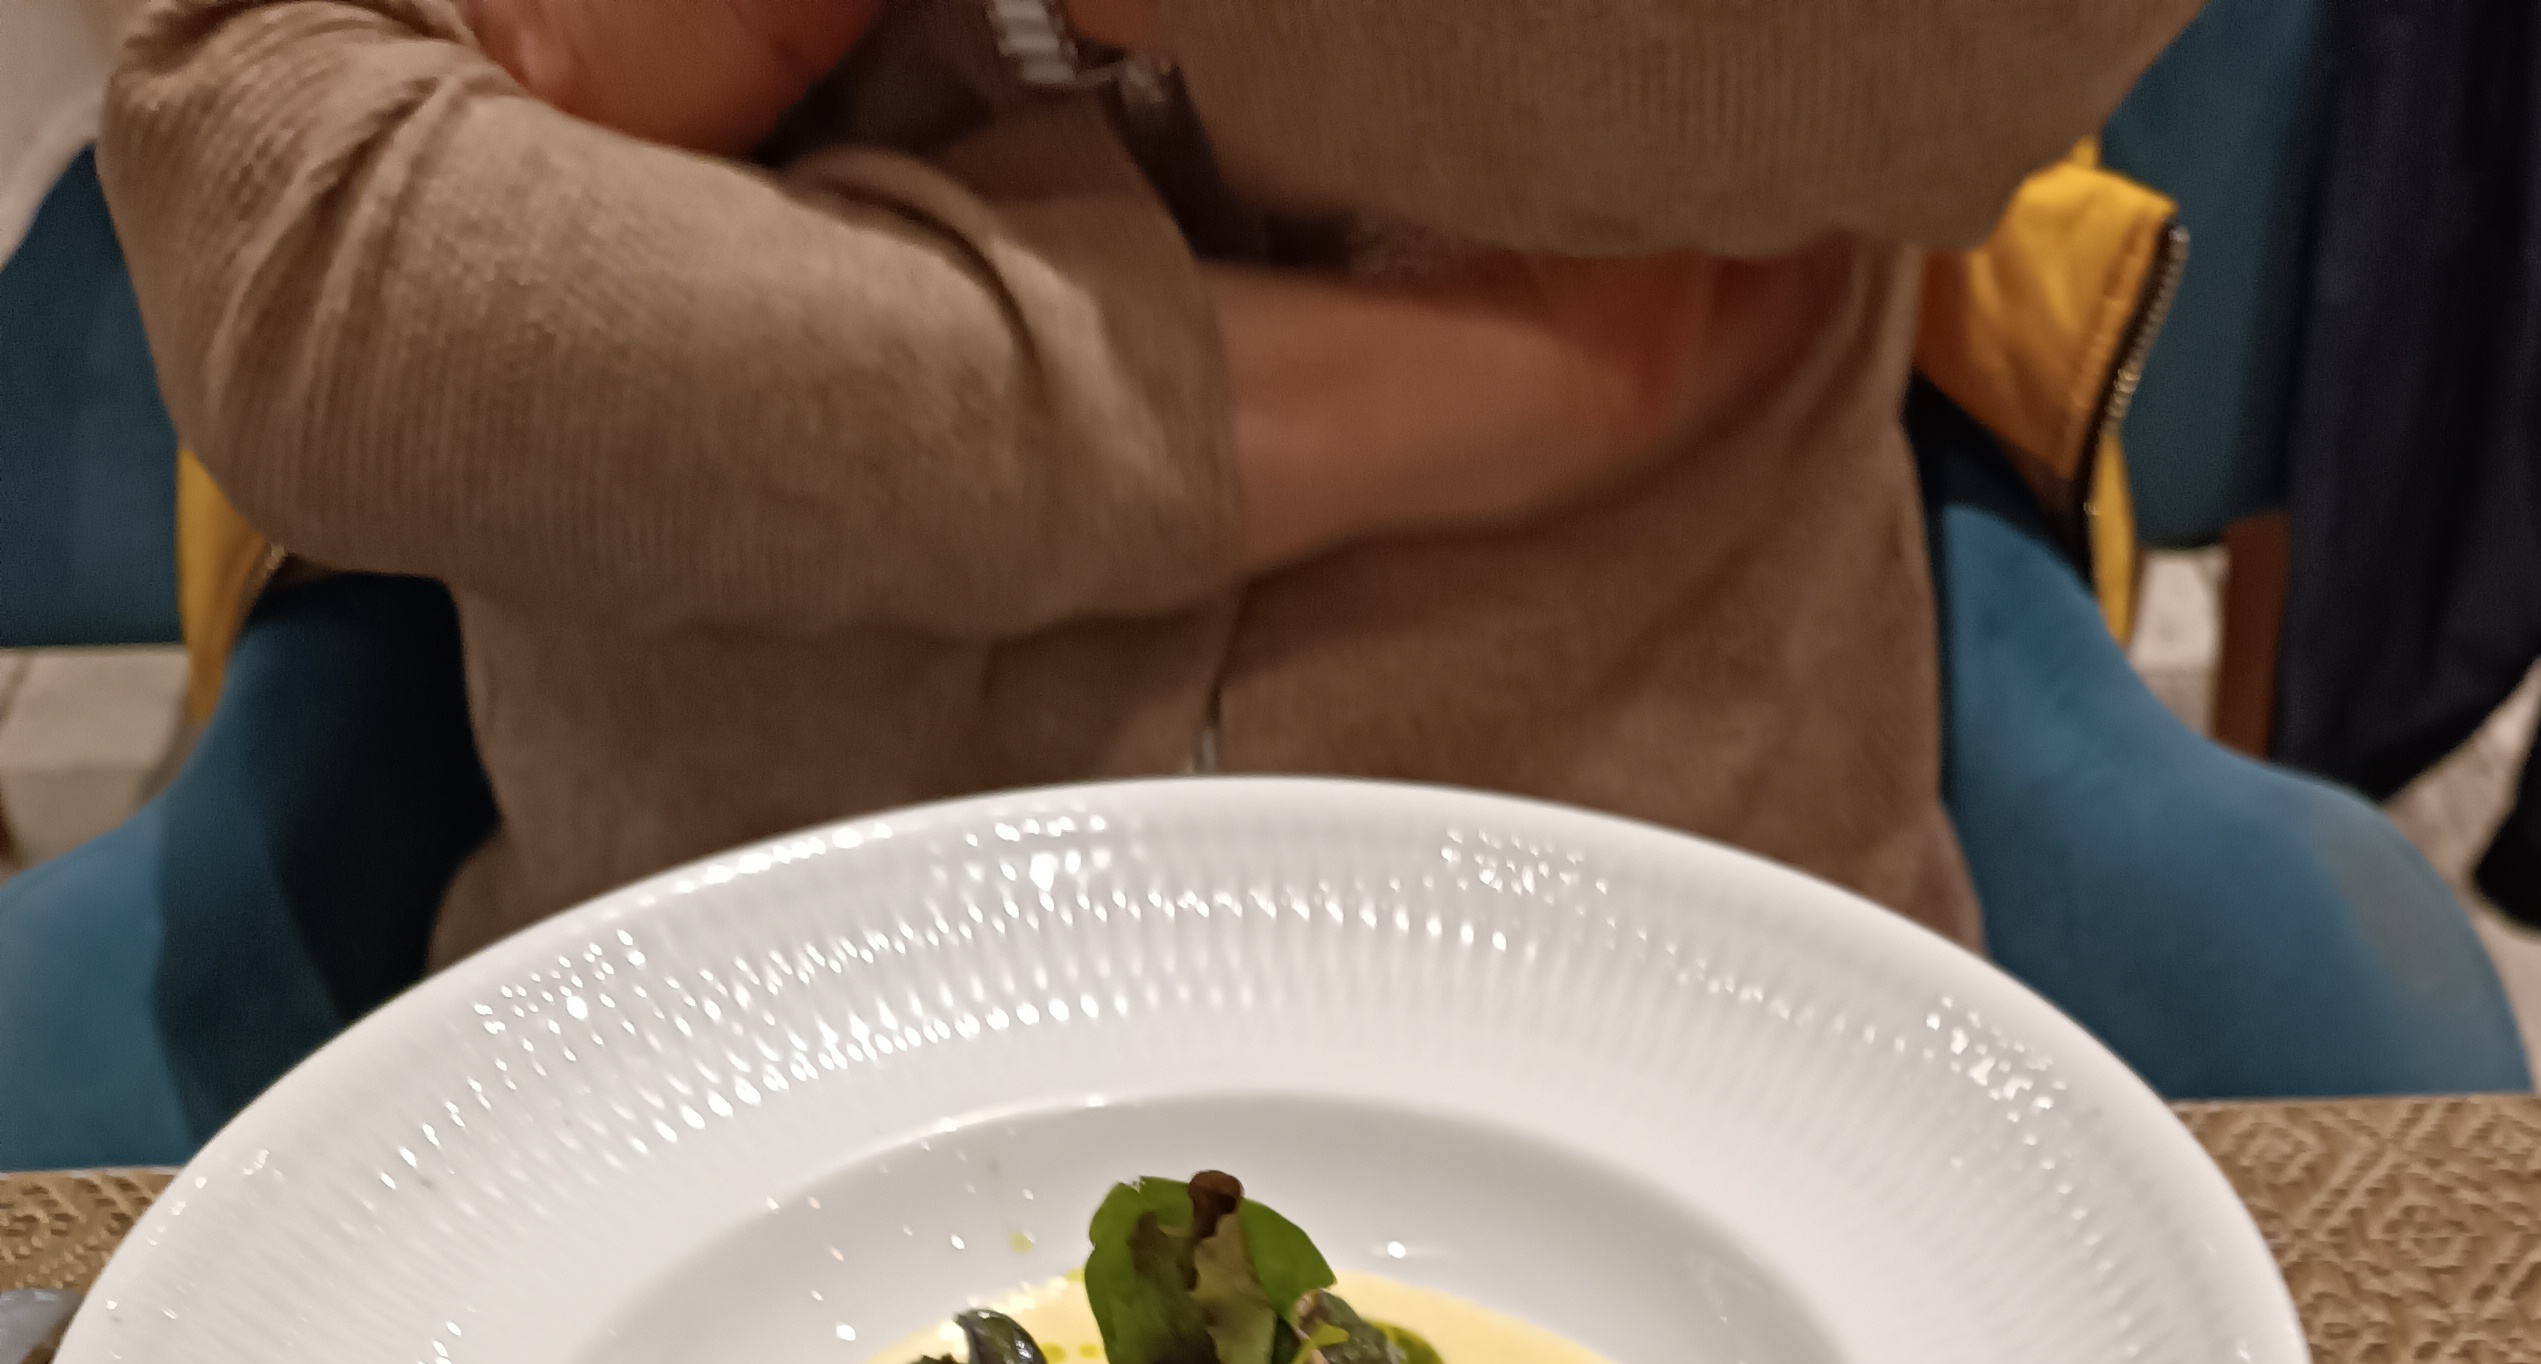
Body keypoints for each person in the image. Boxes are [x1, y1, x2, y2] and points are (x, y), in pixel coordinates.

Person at [95, 0, 2197, 975]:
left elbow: (1941, 59)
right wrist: (1394, 407)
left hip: (1661, 966)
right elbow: (312, 255)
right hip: (734, 998)